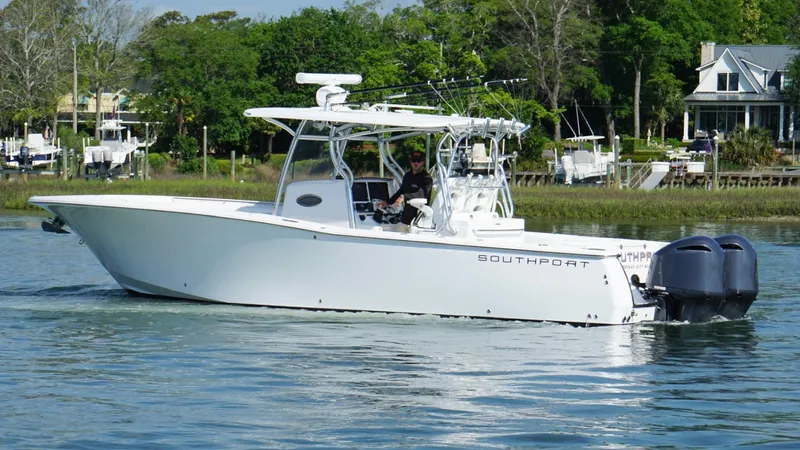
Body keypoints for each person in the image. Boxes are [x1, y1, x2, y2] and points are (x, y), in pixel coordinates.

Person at [377, 150, 433, 232]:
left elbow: (422, 194)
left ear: (423, 162)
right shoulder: (407, 176)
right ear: (410, 161)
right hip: (406, 218)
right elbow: (401, 191)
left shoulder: (427, 178)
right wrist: (387, 202)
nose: (416, 163)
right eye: (413, 160)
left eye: (419, 160)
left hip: (419, 221)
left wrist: (404, 197)